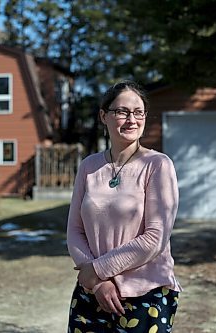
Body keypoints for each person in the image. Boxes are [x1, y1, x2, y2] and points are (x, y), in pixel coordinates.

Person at [66, 80, 182, 332]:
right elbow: (75, 230)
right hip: (92, 294)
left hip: (145, 294)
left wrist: (96, 271)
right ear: (103, 116)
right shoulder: (88, 166)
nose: (131, 119)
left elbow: (155, 238)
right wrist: (98, 284)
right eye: (121, 111)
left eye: (138, 112)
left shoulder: (157, 165)